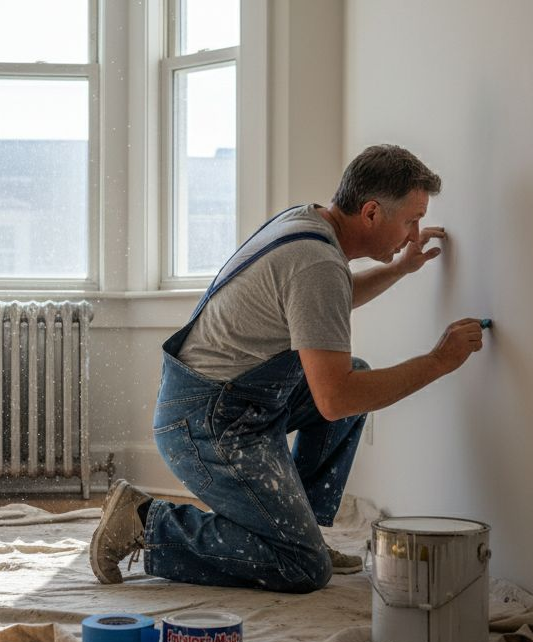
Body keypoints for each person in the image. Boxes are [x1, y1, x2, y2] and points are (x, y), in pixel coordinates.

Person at [89, 144, 486, 593]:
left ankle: (300, 530)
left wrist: (399, 270)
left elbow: (324, 304)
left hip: (233, 400)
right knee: (301, 568)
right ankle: (146, 520)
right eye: (410, 220)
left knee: (354, 369)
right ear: (372, 213)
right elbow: (336, 400)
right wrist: (438, 362)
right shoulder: (317, 263)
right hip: (206, 422)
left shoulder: (310, 223)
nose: (414, 234)